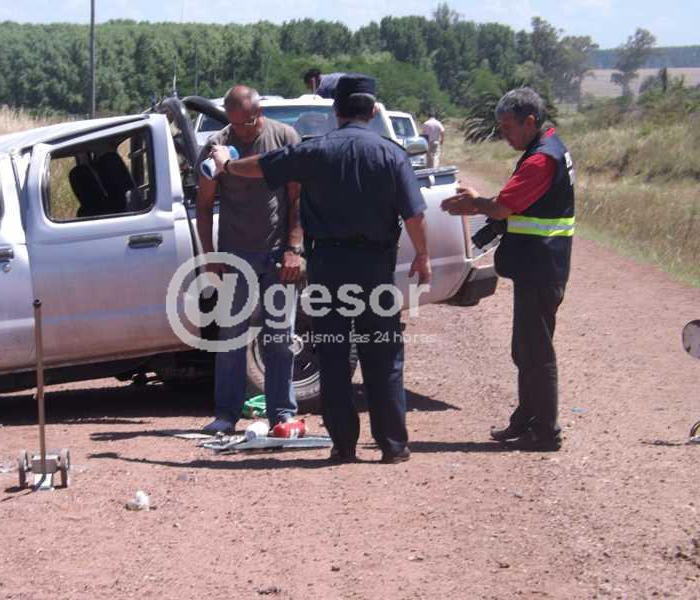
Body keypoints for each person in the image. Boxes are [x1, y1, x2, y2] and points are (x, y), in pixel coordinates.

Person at [209, 74, 432, 464]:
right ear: (372, 112)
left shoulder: (316, 151)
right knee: (383, 356)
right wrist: (423, 256)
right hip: (375, 269)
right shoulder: (391, 154)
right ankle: (393, 445)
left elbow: (262, 167)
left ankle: (343, 446)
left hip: (329, 268)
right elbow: (414, 214)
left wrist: (227, 166)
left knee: (333, 357)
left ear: (337, 110)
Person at [441, 87, 575, 451]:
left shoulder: (541, 159)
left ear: (529, 122)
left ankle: (545, 432)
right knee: (525, 349)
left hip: (540, 267)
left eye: (507, 127)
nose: (503, 134)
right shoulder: (548, 148)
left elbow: (503, 208)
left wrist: (474, 204)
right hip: (539, 265)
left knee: (536, 352)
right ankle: (526, 421)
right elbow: (515, 208)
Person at [196, 85, 304, 435]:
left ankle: (282, 414)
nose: (241, 131)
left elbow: (297, 197)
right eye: (234, 123)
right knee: (230, 337)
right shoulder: (217, 146)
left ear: (259, 113)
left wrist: (294, 248)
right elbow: (203, 205)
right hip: (234, 256)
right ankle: (226, 415)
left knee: (280, 338)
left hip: (277, 255)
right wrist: (210, 255)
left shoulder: (284, 138)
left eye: (247, 123)